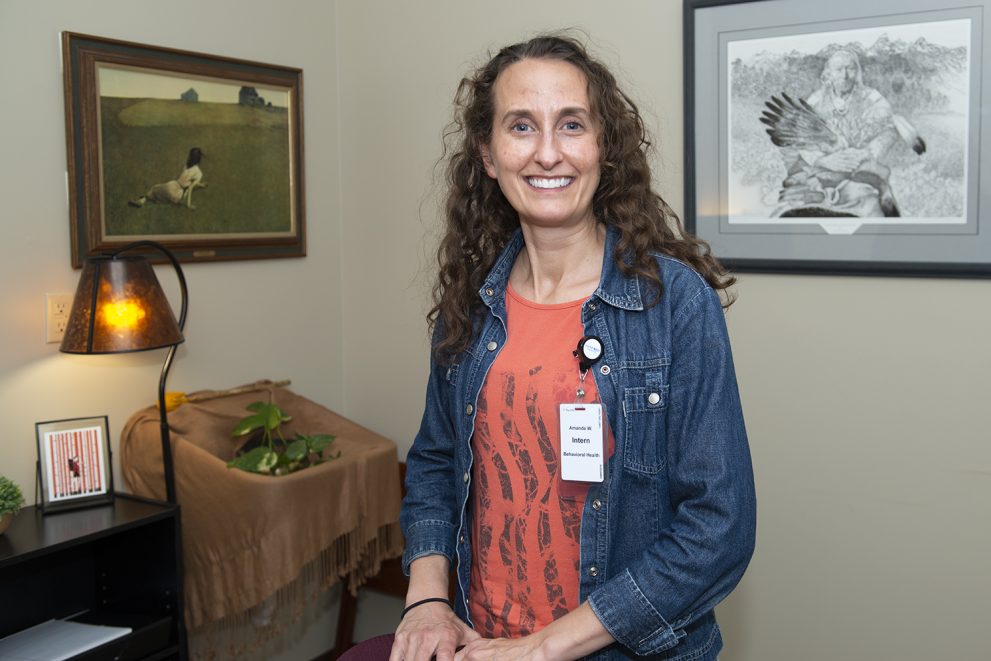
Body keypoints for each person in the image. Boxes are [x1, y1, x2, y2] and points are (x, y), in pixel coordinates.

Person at [393, 35, 755, 661]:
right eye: (520, 126)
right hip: (481, 642)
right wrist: (428, 600)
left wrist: (544, 648)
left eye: (571, 125)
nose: (547, 153)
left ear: (603, 147)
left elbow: (719, 528)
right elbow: (434, 461)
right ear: (487, 153)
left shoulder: (675, 303)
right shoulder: (471, 305)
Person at [763, 49, 921, 218]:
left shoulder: (872, 99)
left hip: (862, 167)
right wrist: (822, 160)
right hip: (824, 170)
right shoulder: (816, 101)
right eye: (839, 70)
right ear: (828, 73)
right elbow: (801, 140)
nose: (845, 75)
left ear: (857, 71)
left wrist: (867, 153)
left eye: (850, 68)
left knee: (876, 201)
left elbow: (889, 131)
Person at [128, 147, 206, 209]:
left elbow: (188, 182)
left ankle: (141, 201)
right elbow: (190, 187)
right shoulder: (198, 173)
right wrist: (188, 205)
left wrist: (200, 184)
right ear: (199, 159)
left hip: (173, 185)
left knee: (155, 188)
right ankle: (147, 200)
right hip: (178, 193)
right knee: (159, 196)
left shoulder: (186, 166)